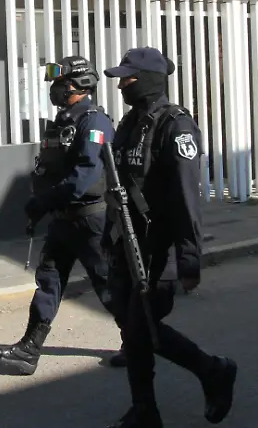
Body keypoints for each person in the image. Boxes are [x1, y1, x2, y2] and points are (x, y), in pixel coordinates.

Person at [101, 47, 237, 428]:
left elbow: (186, 198)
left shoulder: (176, 127)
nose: (122, 86)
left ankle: (207, 375)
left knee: (141, 330)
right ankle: (155, 404)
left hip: (158, 250)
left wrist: (189, 258)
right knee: (136, 331)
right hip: (128, 245)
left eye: (129, 79)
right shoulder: (130, 124)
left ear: (148, 79)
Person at [0, 55, 121, 375]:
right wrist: (41, 204)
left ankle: (138, 338)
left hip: (90, 220)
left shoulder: (93, 122)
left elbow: (85, 175)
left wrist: (45, 201)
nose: (56, 89)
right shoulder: (63, 122)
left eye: (62, 83)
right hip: (63, 218)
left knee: (106, 284)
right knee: (48, 281)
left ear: (81, 84)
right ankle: (29, 350)